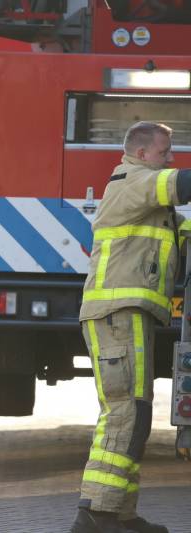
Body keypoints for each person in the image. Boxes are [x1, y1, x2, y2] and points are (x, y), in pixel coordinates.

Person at [71, 121, 191, 533]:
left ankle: (120, 513)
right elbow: (181, 183)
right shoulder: (133, 180)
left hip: (129, 313)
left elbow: (180, 233)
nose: (171, 157)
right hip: (118, 313)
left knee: (134, 413)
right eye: (165, 151)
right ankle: (96, 514)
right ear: (141, 154)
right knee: (125, 412)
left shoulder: (148, 201)